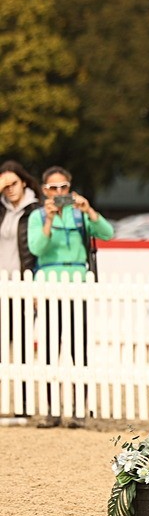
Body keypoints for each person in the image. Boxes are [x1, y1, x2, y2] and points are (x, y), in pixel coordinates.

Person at [27, 166, 115, 427]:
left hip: (78, 283)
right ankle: (52, 409)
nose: (59, 192)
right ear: (45, 191)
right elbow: (36, 248)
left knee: (79, 348)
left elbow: (108, 233)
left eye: (63, 187)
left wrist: (89, 211)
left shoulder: (79, 214)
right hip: (49, 283)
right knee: (50, 348)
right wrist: (49, 220)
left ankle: (79, 410)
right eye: (53, 188)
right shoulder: (37, 216)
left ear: (70, 187)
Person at [0, 162, 42, 416]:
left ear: (24, 181)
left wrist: (35, 284)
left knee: (23, 347)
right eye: (4, 185)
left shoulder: (35, 210)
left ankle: (23, 405)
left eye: (13, 183)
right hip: (1, 286)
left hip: (23, 286)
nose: (9, 189)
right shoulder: (1, 210)